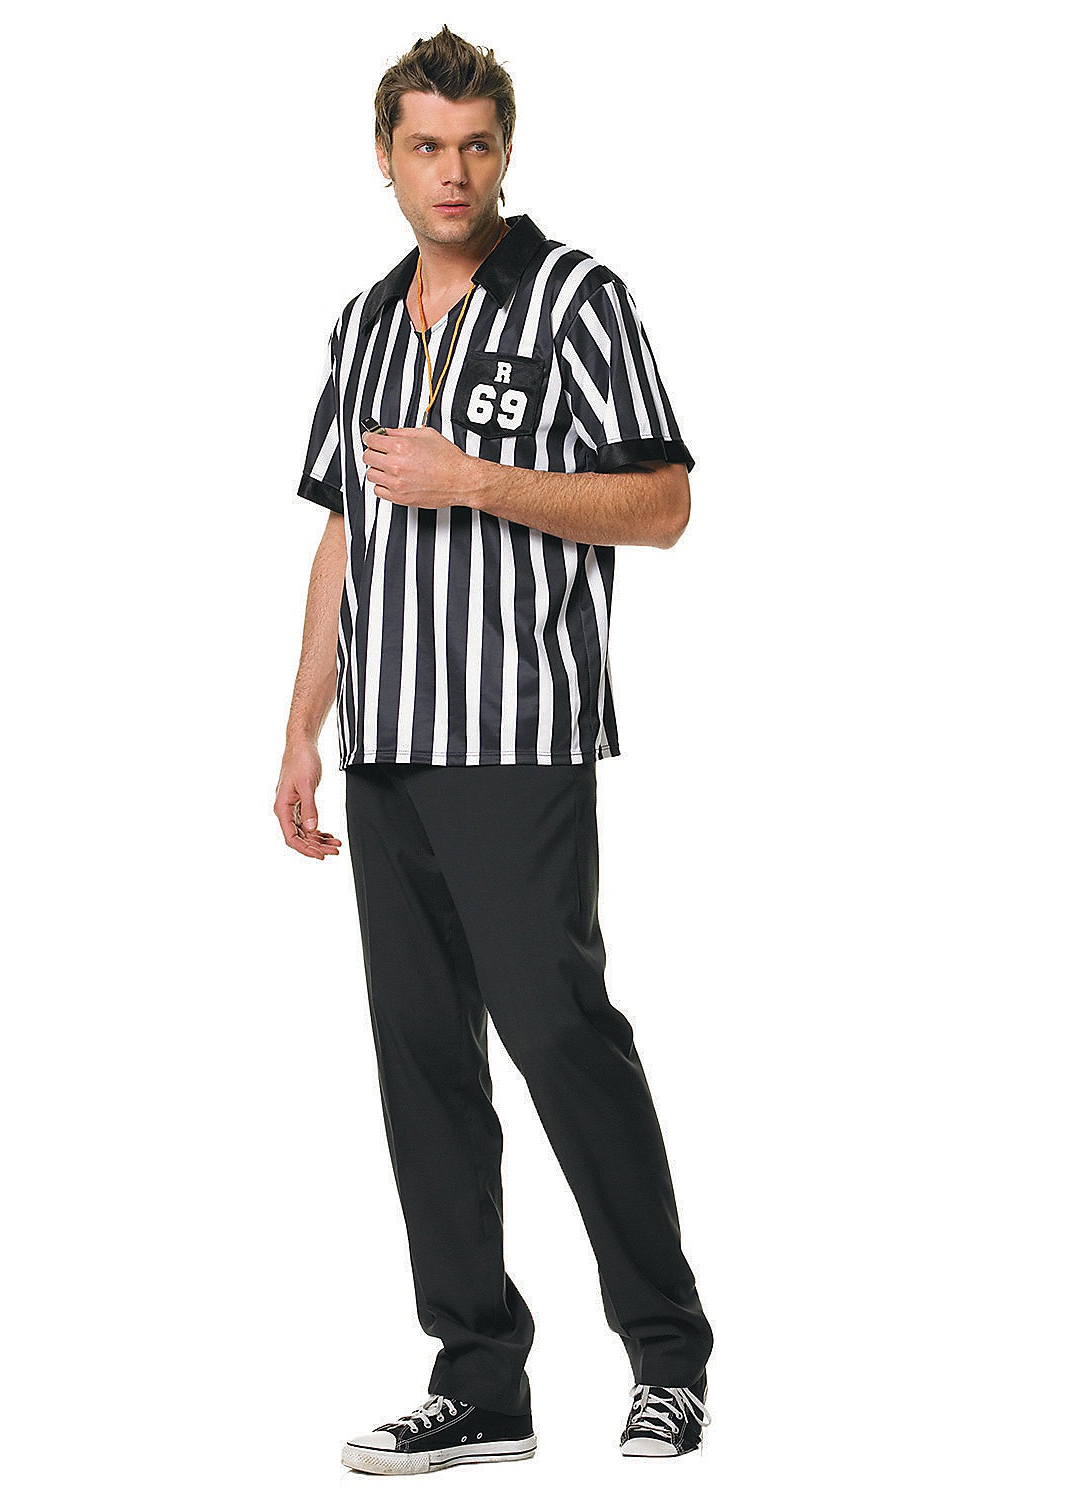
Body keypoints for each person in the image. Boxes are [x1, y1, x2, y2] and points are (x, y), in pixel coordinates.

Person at [276, 26, 714, 1476]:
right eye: (425, 146)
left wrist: (477, 481)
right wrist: (299, 731)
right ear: (386, 159)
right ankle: (479, 1377)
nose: (450, 172)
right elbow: (345, 534)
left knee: (560, 1036)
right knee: (422, 1067)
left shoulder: (577, 297)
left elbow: (662, 503)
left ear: (504, 153)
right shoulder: (360, 324)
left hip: (518, 738)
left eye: (473, 146)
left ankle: (667, 1354)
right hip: (386, 751)